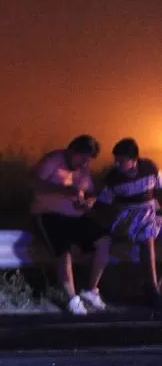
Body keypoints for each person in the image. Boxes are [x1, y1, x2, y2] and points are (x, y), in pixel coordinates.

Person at [29, 135, 111, 315]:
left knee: (104, 241)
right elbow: (34, 183)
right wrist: (63, 190)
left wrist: (90, 201)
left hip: (76, 216)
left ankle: (91, 291)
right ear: (72, 151)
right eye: (82, 158)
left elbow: (91, 192)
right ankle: (72, 300)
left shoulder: (84, 169)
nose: (84, 164)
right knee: (63, 250)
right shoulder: (53, 161)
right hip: (49, 215)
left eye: (88, 161)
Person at [94, 138, 162, 308]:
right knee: (147, 236)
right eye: (115, 160)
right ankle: (152, 289)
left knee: (150, 227)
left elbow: (159, 190)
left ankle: (155, 286)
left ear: (134, 160)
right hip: (127, 218)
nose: (117, 164)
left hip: (152, 213)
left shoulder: (149, 168)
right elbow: (102, 204)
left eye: (121, 161)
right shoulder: (113, 178)